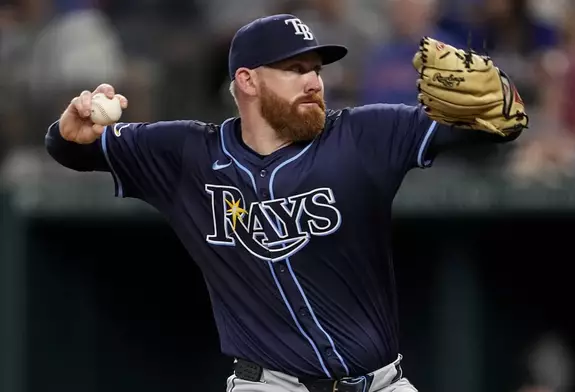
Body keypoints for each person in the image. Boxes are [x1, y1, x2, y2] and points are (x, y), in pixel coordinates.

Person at [45, 14, 525, 392]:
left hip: (381, 383)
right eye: (295, 70)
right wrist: (71, 127)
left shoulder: (363, 135)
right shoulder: (187, 155)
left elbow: (491, 128)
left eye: (316, 70)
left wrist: (503, 99)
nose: (314, 82)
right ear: (248, 81)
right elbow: (73, 148)